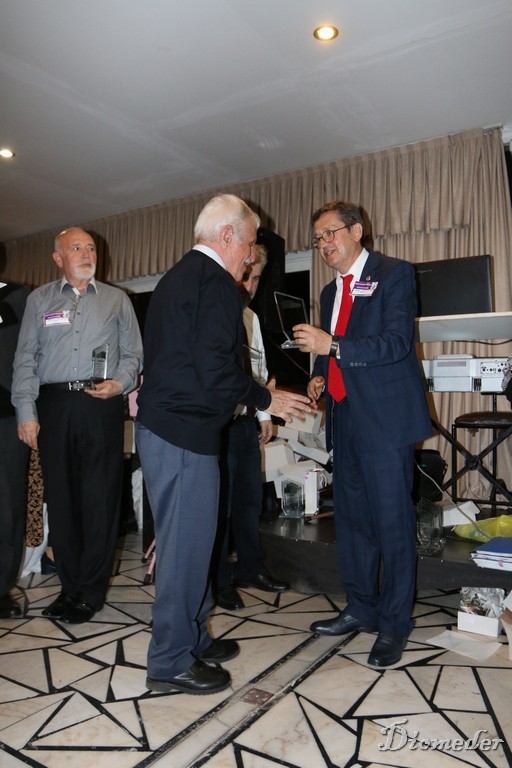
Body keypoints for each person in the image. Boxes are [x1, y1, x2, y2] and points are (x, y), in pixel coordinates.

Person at [136, 194, 313, 695]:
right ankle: (170, 661)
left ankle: (192, 638)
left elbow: (196, 363)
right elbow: (215, 369)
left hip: (176, 432)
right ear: (228, 236)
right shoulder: (213, 282)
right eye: (251, 244)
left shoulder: (179, 277)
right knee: (184, 553)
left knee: (195, 545)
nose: (252, 256)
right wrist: (267, 398)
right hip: (182, 435)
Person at [292, 200, 432, 667]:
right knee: (351, 522)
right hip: (344, 416)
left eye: (330, 233)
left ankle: (394, 625)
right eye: (318, 239)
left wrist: (330, 345)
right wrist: (318, 374)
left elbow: (395, 343)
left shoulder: (394, 274)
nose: (323, 244)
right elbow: (330, 352)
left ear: (357, 231)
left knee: (392, 523)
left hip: (386, 420)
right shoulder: (329, 292)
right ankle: (360, 607)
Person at [12, 227, 143, 624]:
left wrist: (120, 383)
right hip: (53, 406)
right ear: (58, 258)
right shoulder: (39, 300)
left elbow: (134, 355)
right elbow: (25, 358)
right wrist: (26, 412)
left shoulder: (118, 299)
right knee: (62, 501)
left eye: (91, 248)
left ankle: (90, 591)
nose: (87, 253)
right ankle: (69, 588)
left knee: (99, 500)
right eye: (76, 248)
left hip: (99, 405)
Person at [213, 244, 289, 612]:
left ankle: (250, 567)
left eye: (257, 278)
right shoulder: (216, 312)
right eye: (247, 276)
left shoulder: (251, 318)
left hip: (245, 424)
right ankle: (219, 580)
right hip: (219, 426)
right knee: (222, 508)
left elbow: (257, 372)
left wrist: (264, 417)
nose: (251, 284)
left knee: (249, 502)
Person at [0, 280, 30, 618]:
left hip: (6, 419)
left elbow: (28, 354)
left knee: (6, 507)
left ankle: (1, 588)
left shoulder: (15, 297)